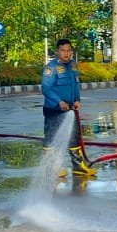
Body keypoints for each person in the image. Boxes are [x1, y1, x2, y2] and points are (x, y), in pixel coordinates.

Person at [41, 39, 94, 176]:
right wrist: (59, 101)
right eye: (63, 50)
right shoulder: (51, 68)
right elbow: (46, 88)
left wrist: (77, 100)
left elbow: (75, 86)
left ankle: (78, 167)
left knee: (74, 137)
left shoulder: (73, 66)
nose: (66, 53)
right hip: (54, 109)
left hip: (70, 109)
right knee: (51, 139)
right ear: (57, 51)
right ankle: (51, 168)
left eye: (68, 50)